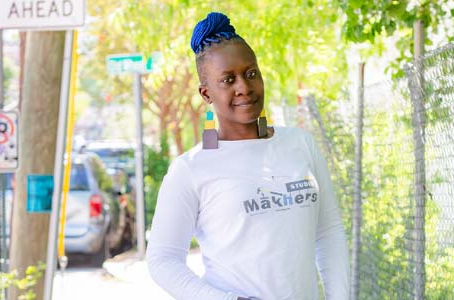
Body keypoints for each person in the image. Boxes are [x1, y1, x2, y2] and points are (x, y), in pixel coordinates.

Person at [146, 12, 349, 300]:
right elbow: (162, 260)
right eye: (228, 80)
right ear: (206, 94)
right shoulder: (191, 169)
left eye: (250, 73)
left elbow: (328, 232)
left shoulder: (301, 144)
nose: (244, 87)